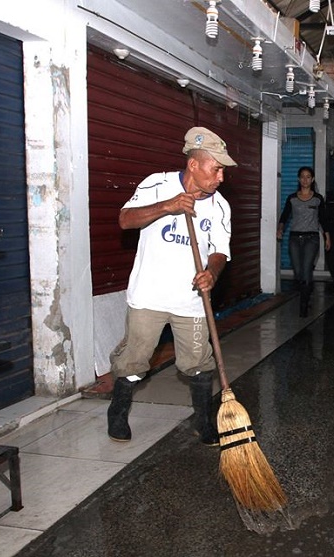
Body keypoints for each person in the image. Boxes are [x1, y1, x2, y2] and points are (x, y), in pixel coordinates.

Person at [106, 126, 235, 446]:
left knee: (197, 364)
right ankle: (118, 412)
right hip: (149, 296)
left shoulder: (220, 206)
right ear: (194, 164)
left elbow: (220, 251)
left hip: (191, 301)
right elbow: (125, 220)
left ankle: (203, 420)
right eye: (216, 168)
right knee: (134, 361)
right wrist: (168, 206)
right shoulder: (156, 184)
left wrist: (212, 273)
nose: (221, 176)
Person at [277, 167, 331, 317]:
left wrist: (327, 237)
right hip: (294, 238)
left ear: (312, 179)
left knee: (307, 269)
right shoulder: (292, 198)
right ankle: (307, 292)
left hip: (311, 238)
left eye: (308, 177)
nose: (305, 180)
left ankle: (304, 304)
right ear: (299, 179)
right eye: (302, 177)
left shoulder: (318, 199)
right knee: (299, 271)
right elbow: (285, 216)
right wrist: (280, 229)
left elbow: (323, 219)